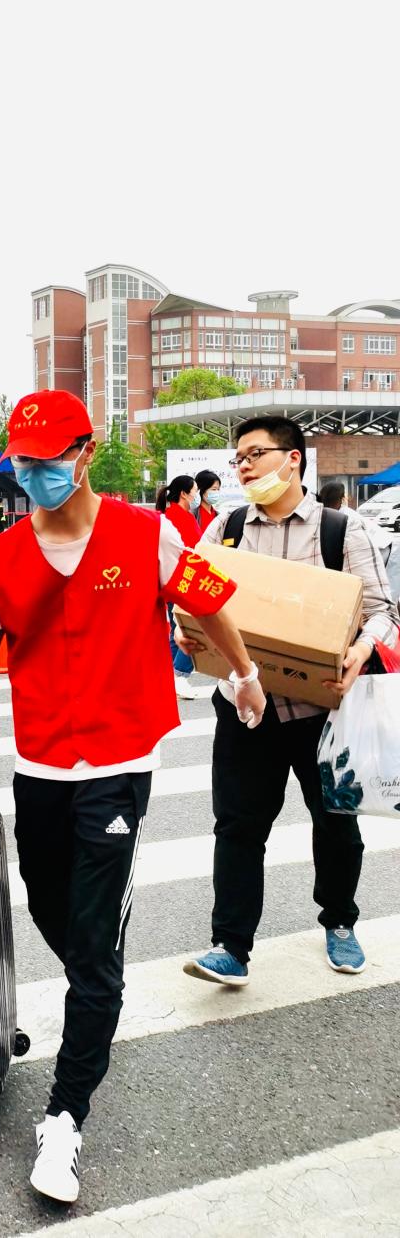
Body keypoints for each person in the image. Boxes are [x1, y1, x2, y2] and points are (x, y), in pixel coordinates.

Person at [0, 390, 261, 1205]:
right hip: (40, 763)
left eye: (46, 460)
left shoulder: (148, 533)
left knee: (95, 951)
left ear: (84, 454)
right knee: (55, 911)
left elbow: (210, 597)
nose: (32, 474)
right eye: (21, 461)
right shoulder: (4, 554)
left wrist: (246, 674)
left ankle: (65, 1116)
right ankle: (96, 979)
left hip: (118, 762)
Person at [181, 415, 399, 989]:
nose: (243, 466)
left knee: (335, 822)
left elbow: (383, 612)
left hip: (322, 710)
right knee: (237, 827)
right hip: (244, 707)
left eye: (255, 454)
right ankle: (231, 945)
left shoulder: (342, 530)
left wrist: (360, 651)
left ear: (293, 458)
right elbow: (189, 594)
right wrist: (183, 630)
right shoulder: (225, 528)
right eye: (238, 458)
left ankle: (340, 921)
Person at [156, 476, 203, 700]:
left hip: (174, 582)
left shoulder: (177, 515)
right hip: (183, 582)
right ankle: (181, 675)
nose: (197, 495)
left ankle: (170, 676)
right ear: (184, 493)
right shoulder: (177, 518)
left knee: (177, 630)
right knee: (192, 631)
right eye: (195, 491)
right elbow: (192, 550)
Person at [194, 469, 221, 534]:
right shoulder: (193, 515)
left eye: (218, 489)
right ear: (201, 490)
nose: (216, 492)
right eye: (214, 489)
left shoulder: (218, 515)